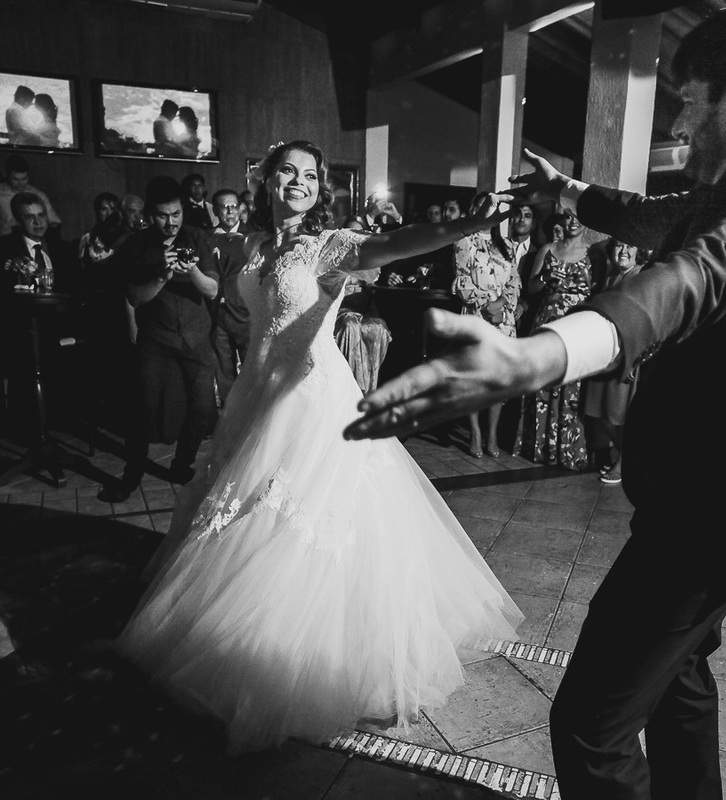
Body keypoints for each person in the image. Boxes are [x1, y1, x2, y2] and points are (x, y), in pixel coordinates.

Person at [344, 2, 726, 797]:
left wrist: (545, 353)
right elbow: (660, 220)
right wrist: (571, 191)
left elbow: (691, 279)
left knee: (588, 722)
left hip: (720, 512)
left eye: (690, 94)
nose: (680, 111)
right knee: (679, 684)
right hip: (714, 495)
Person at [115, 140, 522, 753]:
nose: (298, 182)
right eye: (288, 172)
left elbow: (396, 244)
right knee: (239, 509)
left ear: (319, 187)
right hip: (257, 391)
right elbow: (240, 305)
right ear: (267, 182)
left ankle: (284, 661)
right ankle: (227, 631)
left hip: (310, 399)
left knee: (300, 518)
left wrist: (472, 222)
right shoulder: (253, 246)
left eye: (310, 175)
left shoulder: (326, 244)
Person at [96, 177, 219, 502]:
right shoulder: (137, 245)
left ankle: (181, 465)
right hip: (157, 338)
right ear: (151, 215)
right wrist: (162, 274)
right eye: (163, 215)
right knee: (142, 410)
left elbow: (212, 289)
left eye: (176, 213)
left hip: (196, 336)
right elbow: (135, 298)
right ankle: (131, 475)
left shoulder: (199, 238)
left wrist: (190, 271)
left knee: (203, 407)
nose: (171, 222)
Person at [513, 209, 592, 471]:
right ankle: (539, 447)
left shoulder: (594, 253)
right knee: (543, 383)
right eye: (568, 217)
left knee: (573, 387)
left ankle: (568, 450)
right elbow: (531, 287)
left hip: (577, 326)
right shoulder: (548, 248)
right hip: (547, 320)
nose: (572, 221)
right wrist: (546, 278)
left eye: (577, 217)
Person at [452, 222, 521, 457]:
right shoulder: (464, 242)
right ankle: (475, 432)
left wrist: (501, 304)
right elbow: (462, 281)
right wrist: (486, 306)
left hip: (504, 320)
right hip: (476, 315)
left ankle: (492, 434)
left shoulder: (508, 245)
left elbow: (514, 281)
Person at [581, 238, 645, 485]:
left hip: (625, 356)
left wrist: (632, 358)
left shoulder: (640, 276)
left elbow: (641, 323)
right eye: (619, 245)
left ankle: (623, 461)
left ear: (639, 251)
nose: (624, 250)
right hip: (606, 354)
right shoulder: (610, 278)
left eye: (630, 245)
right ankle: (629, 458)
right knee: (601, 411)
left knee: (618, 413)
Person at [207, 188, 251, 411]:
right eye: (224, 207)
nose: (230, 211)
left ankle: (251, 412)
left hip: (244, 311)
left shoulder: (252, 236)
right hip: (216, 313)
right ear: (216, 210)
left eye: (234, 206)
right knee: (223, 366)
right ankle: (230, 413)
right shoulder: (207, 237)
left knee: (252, 364)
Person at [0, 155, 61, 241]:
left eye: (24, 179)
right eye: (16, 179)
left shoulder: (39, 195)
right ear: (7, 176)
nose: (21, 183)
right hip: (6, 242)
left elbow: (54, 221)